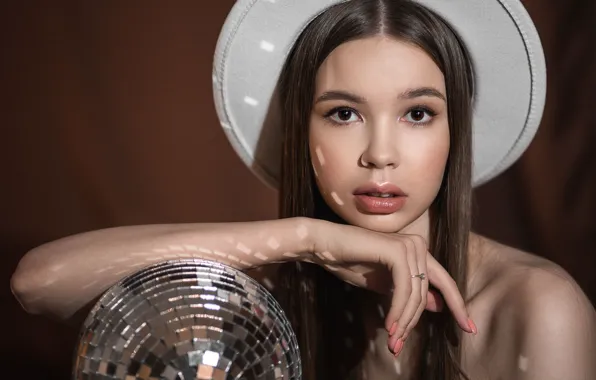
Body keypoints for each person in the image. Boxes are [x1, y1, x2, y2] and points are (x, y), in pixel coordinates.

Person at [11, 0, 595, 379]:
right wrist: (304, 237)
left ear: (455, 131)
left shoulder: (535, 308)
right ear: (302, 131)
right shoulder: (281, 285)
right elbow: (37, 283)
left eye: (418, 114)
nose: (380, 153)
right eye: (344, 114)